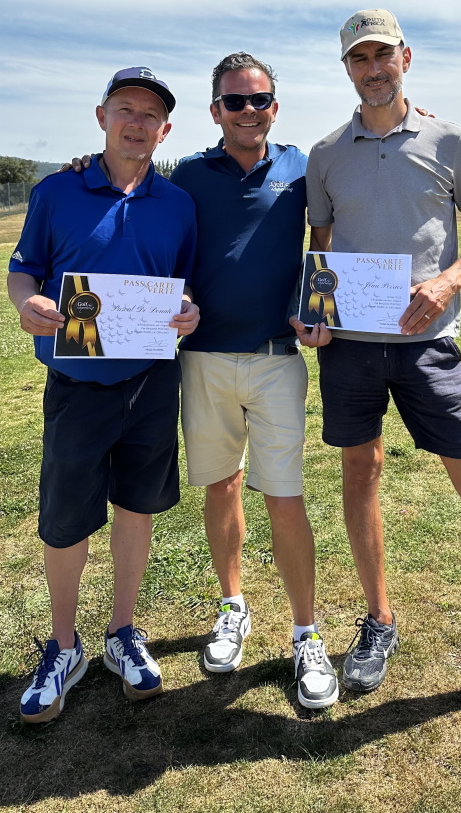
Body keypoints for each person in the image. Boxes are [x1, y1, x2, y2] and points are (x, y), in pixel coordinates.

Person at [292, 10, 461, 730]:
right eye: (359, 59)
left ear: (405, 58)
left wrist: (446, 284)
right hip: (351, 347)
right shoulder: (326, 154)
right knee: (361, 471)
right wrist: (315, 312)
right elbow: (320, 251)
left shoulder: (449, 139)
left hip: (428, 344)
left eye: (384, 55)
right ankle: (379, 618)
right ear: (346, 68)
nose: (373, 68)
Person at [8, 66, 199, 723]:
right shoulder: (57, 192)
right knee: (65, 518)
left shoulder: (177, 204)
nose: (138, 123)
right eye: (126, 109)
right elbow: (23, 270)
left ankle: (123, 631)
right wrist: (27, 302)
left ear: (165, 129)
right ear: (102, 116)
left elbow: (181, 286)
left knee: (136, 508)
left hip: (150, 383)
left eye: (151, 115)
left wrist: (189, 313)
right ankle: (64, 645)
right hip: (78, 384)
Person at [164, 53, 338, 710]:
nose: (248, 111)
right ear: (215, 112)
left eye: (259, 99)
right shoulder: (186, 175)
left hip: (276, 359)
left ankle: (305, 632)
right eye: (234, 102)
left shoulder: (302, 166)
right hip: (203, 357)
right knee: (221, 486)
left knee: (284, 497)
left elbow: (324, 243)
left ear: (275, 104)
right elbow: (151, 221)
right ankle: (232, 607)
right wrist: (78, 168)